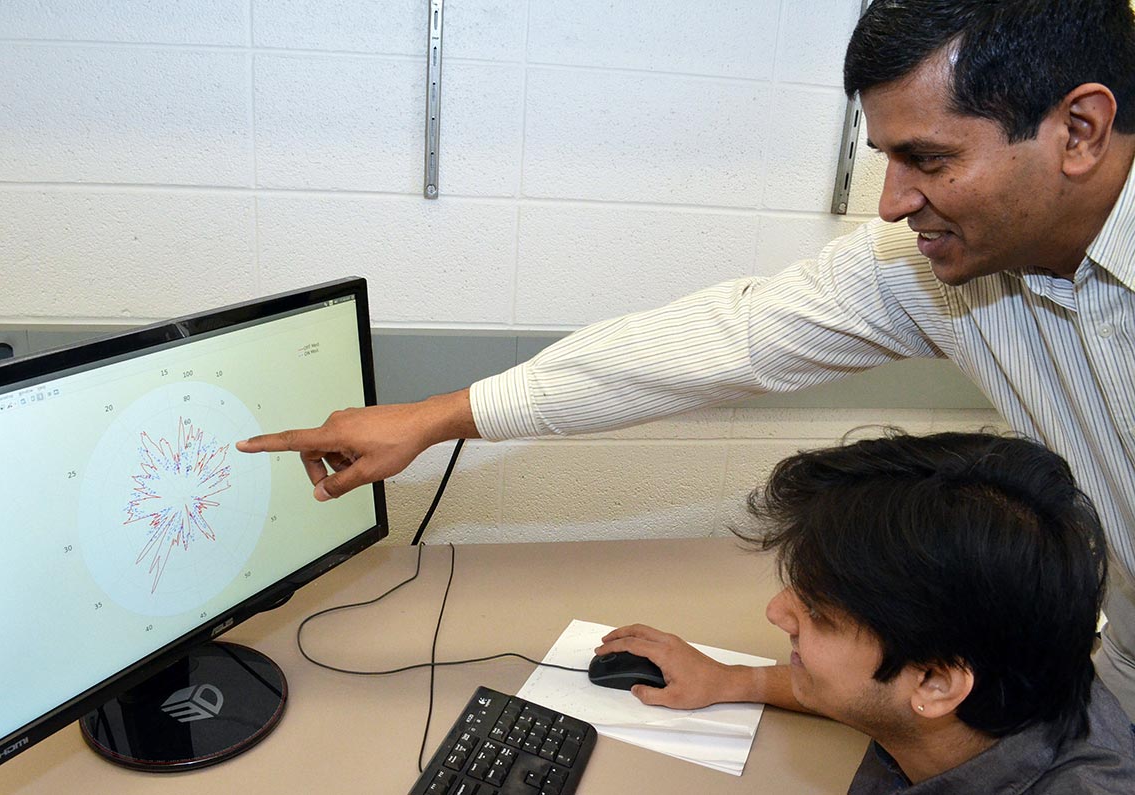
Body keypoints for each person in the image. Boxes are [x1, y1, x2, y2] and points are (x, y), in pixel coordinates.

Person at [237, 0, 1135, 724]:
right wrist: (434, 418)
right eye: (885, 159)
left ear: (1081, 130)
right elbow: (715, 342)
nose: (894, 203)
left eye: (927, 158)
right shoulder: (938, 268)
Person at [600, 432, 1135, 793]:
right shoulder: (1019, 664)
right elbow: (878, 692)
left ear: (935, 681)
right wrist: (734, 680)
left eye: (818, 614)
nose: (776, 612)